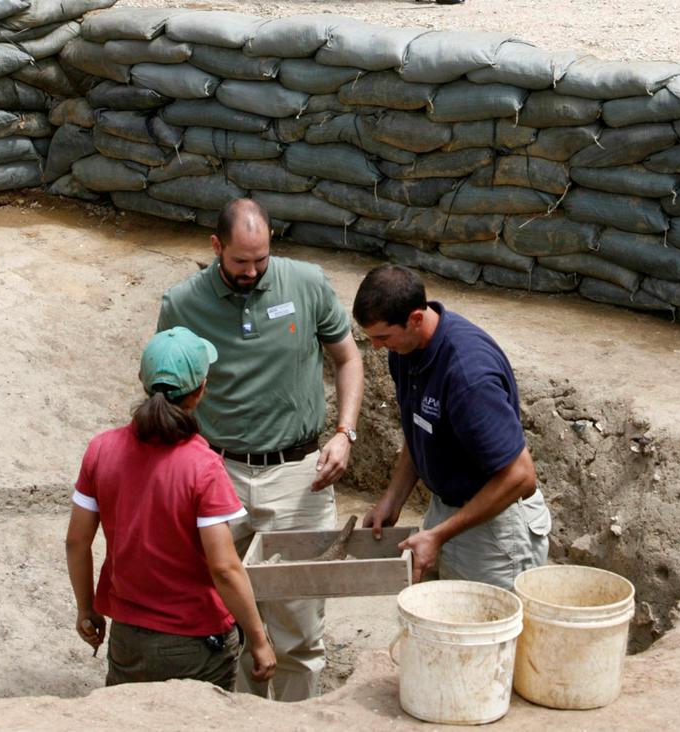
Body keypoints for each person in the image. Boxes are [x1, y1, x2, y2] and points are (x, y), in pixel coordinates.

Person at [156, 198, 364, 701]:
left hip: (300, 476)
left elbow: (348, 357)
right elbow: (166, 390)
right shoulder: (182, 304)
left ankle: (295, 716)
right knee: (223, 612)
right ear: (215, 247)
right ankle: (243, 714)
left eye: (260, 260)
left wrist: (345, 431)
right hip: (217, 473)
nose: (251, 272)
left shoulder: (307, 283)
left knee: (296, 624)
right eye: (239, 262)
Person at [65, 326, 276, 689]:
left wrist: (87, 609)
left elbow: (76, 542)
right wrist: (259, 640)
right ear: (200, 391)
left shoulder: (101, 450)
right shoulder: (203, 465)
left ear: (142, 381)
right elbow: (224, 568)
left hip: (129, 638)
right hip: (196, 641)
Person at [353, 264, 551, 591]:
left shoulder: (468, 378)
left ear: (416, 318)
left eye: (382, 337)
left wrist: (439, 534)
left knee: (491, 633)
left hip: (496, 528)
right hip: (448, 510)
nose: (376, 347)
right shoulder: (405, 350)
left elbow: (520, 475)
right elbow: (421, 430)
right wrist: (393, 497)